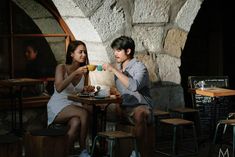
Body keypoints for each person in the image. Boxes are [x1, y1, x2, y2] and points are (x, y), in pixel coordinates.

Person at [102, 36, 153, 157]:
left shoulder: (140, 67)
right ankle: (101, 149)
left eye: (118, 50)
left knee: (140, 114)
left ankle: (137, 153)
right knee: (98, 110)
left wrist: (114, 70)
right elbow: (122, 91)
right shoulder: (119, 68)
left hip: (141, 106)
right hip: (124, 107)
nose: (115, 53)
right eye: (114, 50)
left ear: (128, 51)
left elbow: (134, 86)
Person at [47, 40, 92, 157]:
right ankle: (84, 149)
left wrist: (86, 90)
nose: (84, 55)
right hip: (58, 105)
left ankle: (65, 153)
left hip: (73, 105)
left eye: (85, 52)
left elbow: (79, 91)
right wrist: (75, 73)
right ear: (72, 54)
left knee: (76, 122)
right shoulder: (61, 68)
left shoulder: (84, 72)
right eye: (80, 52)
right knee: (84, 113)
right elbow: (59, 88)